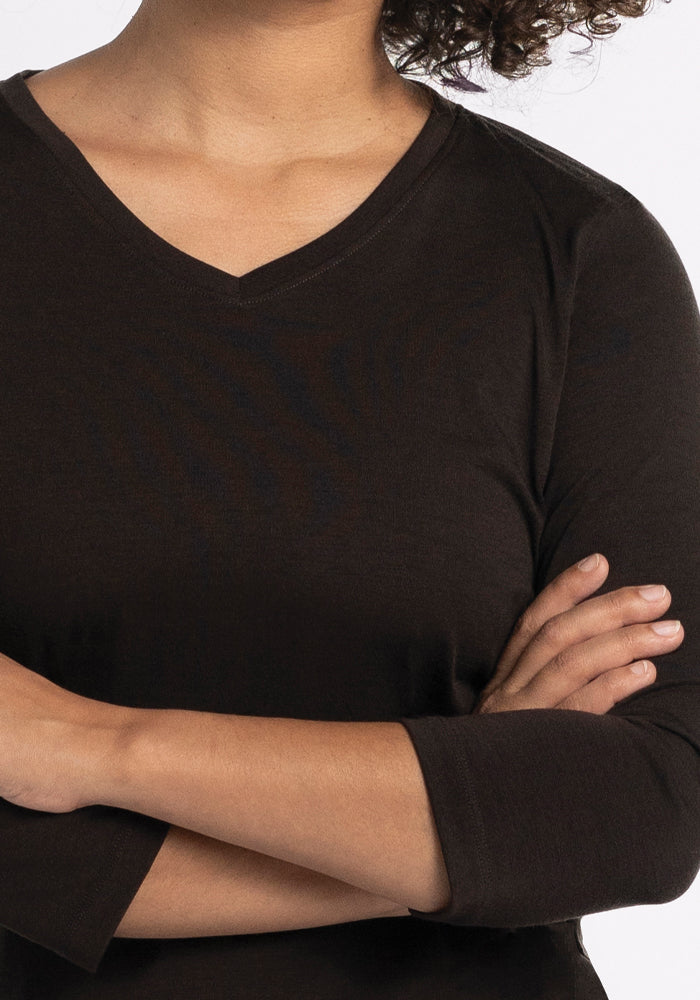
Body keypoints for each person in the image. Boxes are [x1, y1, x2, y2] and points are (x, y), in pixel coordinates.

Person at [0, 1, 698, 997]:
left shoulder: (577, 249)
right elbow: (544, 825)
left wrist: (85, 747)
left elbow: (634, 812)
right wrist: (469, 812)